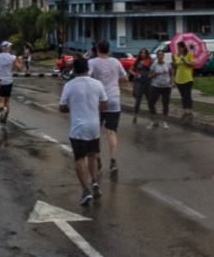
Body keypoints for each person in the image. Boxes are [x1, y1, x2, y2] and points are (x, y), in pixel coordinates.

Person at [58, 56, 108, 206]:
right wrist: (93, 110)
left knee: (79, 158)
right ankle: (94, 181)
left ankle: (85, 191)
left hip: (78, 128)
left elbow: (62, 107)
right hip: (94, 126)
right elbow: (105, 105)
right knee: (93, 155)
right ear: (87, 68)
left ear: (74, 70)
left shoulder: (69, 85)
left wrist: (73, 109)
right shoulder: (97, 84)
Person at [88, 40, 128, 179]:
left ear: (98, 50)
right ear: (109, 50)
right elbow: (125, 78)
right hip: (114, 100)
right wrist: (116, 83)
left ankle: (98, 163)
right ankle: (113, 163)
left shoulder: (92, 62)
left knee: (97, 132)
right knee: (111, 132)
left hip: (99, 101)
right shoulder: (116, 62)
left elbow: (87, 76)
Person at [0, 41, 23, 124]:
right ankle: (5, 118)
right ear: (8, 48)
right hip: (9, 81)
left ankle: (2, 110)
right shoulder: (13, 58)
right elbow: (19, 69)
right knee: (7, 101)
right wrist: (20, 61)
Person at [146, 48, 172, 129]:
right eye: (159, 55)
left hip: (166, 87)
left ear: (163, 56)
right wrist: (153, 75)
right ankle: (154, 121)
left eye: (161, 55)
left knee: (165, 104)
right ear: (157, 56)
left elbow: (172, 73)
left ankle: (164, 122)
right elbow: (149, 76)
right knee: (151, 103)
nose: (160, 56)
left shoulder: (167, 64)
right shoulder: (154, 65)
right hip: (156, 86)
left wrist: (173, 81)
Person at [174, 41, 196, 122]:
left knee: (187, 95)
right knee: (183, 96)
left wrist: (185, 61)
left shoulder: (189, 55)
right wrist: (174, 63)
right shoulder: (176, 55)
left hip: (187, 78)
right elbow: (176, 66)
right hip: (179, 78)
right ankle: (185, 111)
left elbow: (192, 64)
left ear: (184, 48)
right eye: (178, 48)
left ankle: (189, 111)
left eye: (180, 48)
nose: (179, 50)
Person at [129, 48, 151, 123]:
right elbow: (130, 69)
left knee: (149, 100)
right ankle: (135, 116)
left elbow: (153, 70)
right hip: (139, 82)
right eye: (141, 53)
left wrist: (151, 76)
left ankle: (153, 118)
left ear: (146, 54)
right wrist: (135, 74)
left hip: (147, 82)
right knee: (138, 100)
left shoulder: (149, 61)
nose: (143, 54)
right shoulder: (137, 62)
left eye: (144, 53)